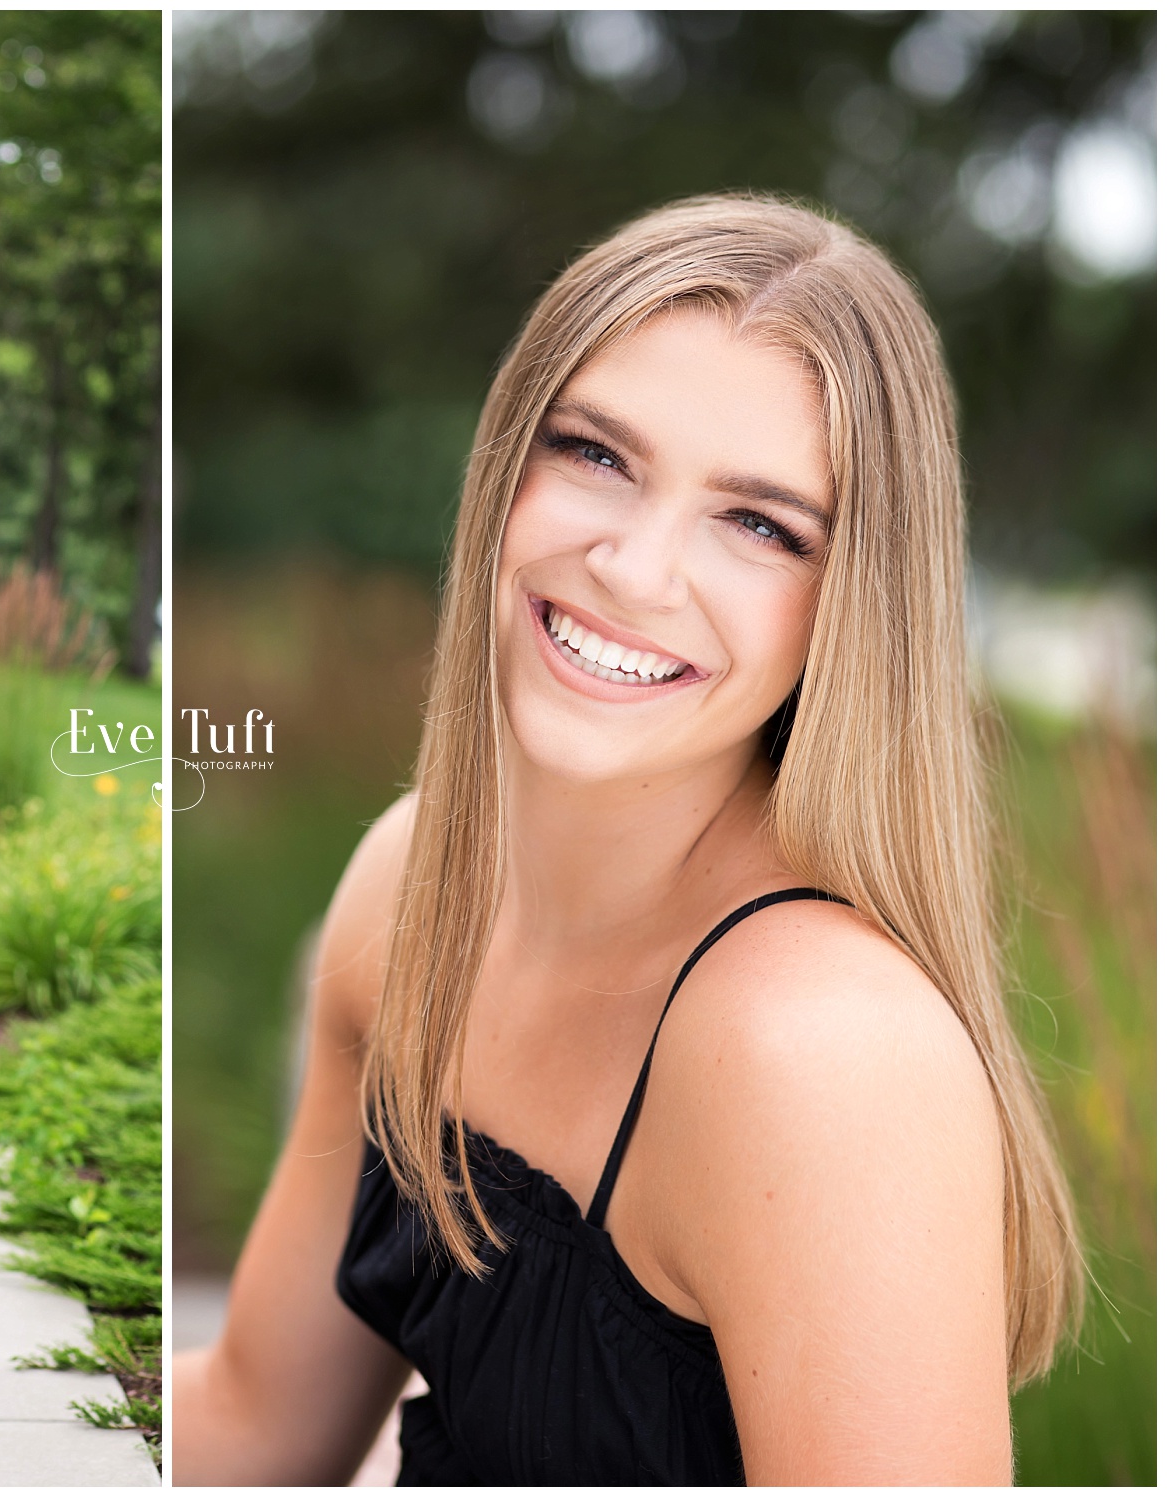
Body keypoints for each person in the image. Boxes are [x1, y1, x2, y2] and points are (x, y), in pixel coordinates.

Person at [172, 194, 1081, 1485]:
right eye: (597, 454)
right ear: (505, 463)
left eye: (759, 525)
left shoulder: (819, 1047)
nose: (635, 568)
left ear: (850, 607)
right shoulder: (411, 880)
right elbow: (262, 1419)